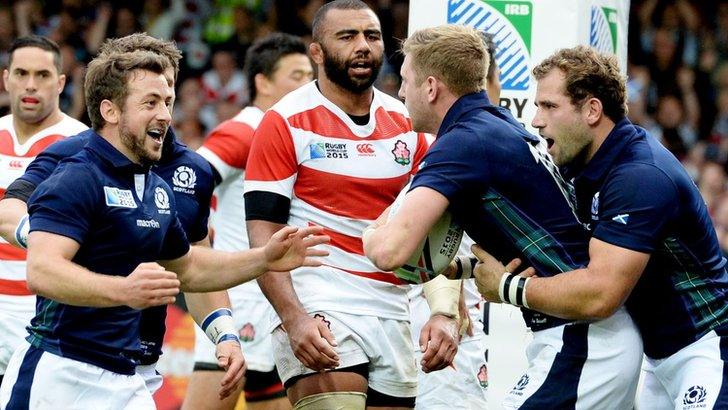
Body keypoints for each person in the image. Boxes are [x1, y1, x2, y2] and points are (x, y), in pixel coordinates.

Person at [0, 49, 328, 409]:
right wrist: (123, 289)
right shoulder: (75, 173)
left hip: (130, 376)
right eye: (151, 103)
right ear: (110, 110)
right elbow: (42, 270)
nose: (165, 116)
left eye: (168, 100)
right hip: (62, 370)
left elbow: (188, 265)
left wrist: (264, 258)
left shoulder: (157, 187)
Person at [363, 25, 642, 409]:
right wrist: (459, 268)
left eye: (406, 81)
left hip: (582, 339)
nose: (400, 92)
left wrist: (370, 234)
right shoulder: (501, 127)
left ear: (431, 87)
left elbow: (391, 252)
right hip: (586, 338)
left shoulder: (462, 144)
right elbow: (532, 237)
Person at [472, 45, 728, 408]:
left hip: (709, 347)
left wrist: (507, 287)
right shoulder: (582, 165)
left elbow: (600, 295)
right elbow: (553, 247)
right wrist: (465, 267)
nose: (536, 120)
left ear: (592, 110)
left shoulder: (640, 176)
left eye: (549, 106)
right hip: (658, 359)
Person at [244, 1, 460, 408]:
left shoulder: (408, 121)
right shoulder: (285, 120)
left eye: (371, 36)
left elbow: (433, 232)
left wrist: (444, 312)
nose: (362, 46)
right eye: (347, 37)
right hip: (320, 303)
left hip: (394, 310)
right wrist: (293, 317)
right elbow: (264, 237)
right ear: (317, 53)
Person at [184, 32, 314, 410]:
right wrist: (197, 232)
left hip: (276, 294)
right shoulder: (248, 128)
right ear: (262, 81)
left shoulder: (291, 131)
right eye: (296, 75)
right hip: (238, 296)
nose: (307, 83)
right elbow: (190, 178)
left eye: (310, 74)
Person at [406, 31, 500, 409]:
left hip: (432, 314)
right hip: (439, 320)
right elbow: (399, 243)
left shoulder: (459, 144)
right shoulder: (457, 147)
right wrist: (446, 302)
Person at [0, 35, 87, 386]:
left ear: (61, 82)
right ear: (5, 78)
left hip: (42, 313)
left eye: (42, 75)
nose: (30, 85)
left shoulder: (80, 144)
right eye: (21, 73)